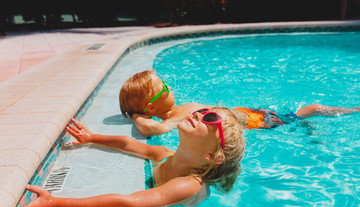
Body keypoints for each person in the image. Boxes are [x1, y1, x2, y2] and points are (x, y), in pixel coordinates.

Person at [10, 107, 246, 207]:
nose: (201, 114)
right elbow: (130, 144)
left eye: (211, 119)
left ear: (213, 155)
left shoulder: (189, 186)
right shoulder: (166, 154)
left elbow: (129, 203)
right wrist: (93, 138)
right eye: (204, 111)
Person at [120, 70, 360, 134]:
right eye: (163, 88)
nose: (169, 87)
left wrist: (139, 113)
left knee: (301, 117)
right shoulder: (174, 117)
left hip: (247, 113)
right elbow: (154, 128)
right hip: (258, 121)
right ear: (151, 107)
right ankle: (355, 110)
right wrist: (138, 116)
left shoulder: (176, 110)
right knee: (312, 110)